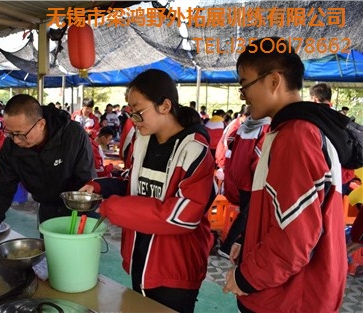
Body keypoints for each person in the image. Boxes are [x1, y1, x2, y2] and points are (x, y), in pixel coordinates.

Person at [222, 37, 348, 313]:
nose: (242, 95)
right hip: (290, 293)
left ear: (274, 81)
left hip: (288, 299)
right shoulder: (292, 129)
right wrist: (247, 242)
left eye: (244, 84)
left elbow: (296, 238)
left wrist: (247, 277)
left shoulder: (296, 135)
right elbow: (283, 213)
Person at [80, 69, 216, 313]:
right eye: (129, 112)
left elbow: (183, 216)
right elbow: (132, 182)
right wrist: (101, 186)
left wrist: (112, 208)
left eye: (138, 111)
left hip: (175, 270)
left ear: (165, 105)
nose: (133, 118)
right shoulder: (141, 140)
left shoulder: (195, 151)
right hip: (140, 259)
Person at [0, 94, 96, 254]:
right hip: (47, 209)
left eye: (20, 134)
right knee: (52, 260)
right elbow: (2, 190)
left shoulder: (72, 135)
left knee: (78, 260)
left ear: (41, 124)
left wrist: (79, 221)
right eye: (9, 133)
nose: (16, 140)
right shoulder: (10, 147)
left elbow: (85, 183)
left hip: (79, 211)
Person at [217, 114, 270, 259]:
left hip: (236, 176)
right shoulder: (265, 128)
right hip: (251, 180)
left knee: (247, 213)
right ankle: (228, 247)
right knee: (248, 215)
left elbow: (230, 141)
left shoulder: (244, 126)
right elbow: (258, 160)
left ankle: (236, 246)